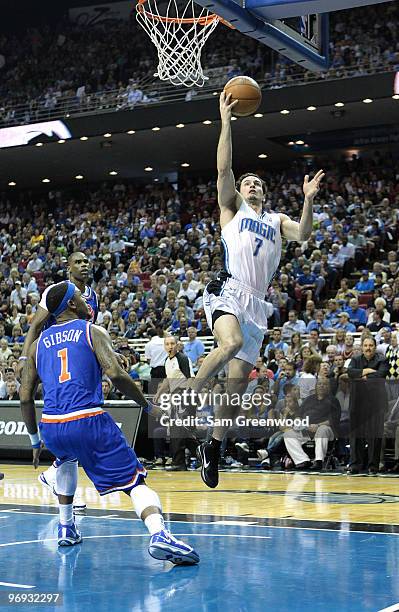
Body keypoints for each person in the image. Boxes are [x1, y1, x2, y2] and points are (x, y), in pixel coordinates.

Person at [188, 90, 324, 488]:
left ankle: (213, 447)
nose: (250, 186)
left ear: (263, 193)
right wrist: (226, 121)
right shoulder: (232, 209)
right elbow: (224, 168)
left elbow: (305, 234)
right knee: (228, 344)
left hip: (257, 305)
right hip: (228, 289)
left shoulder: (278, 219)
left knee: (234, 387)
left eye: (256, 184)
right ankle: (189, 397)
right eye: (247, 182)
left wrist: (308, 200)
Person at [19, 281, 198, 564]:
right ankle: (159, 533)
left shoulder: (37, 346)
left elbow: (25, 397)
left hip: (52, 425)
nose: (84, 300)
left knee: (65, 460)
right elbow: (115, 375)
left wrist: (34, 440)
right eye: (79, 296)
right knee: (134, 481)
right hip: (87, 419)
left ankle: (66, 527)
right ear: (71, 305)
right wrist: (146, 405)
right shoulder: (92, 330)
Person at [19, 253, 99, 504]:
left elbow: (88, 333)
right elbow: (36, 325)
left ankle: (56, 475)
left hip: (75, 359)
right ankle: (60, 481)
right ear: (68, 267)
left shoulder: (92, 296)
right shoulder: (58, 290)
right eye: (79, 262)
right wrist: (24, 358)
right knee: (72, 418)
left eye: (87, 261)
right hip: (54, 355)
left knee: (77, 422)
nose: (85, 265)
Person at [347, 336, 389, 474]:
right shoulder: (355, 359)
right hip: (357, 403)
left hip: (376, 403)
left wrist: (362, 376)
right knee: (356, 436)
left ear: (375, 347)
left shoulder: (382, 359)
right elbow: (350, 373)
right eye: (365, 345)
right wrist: (368, 372)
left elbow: (381, 374)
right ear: (362, 347)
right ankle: (355, 465)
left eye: (371, 345)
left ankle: (373, 466)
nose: (368, 348)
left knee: (374, 437)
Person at [154, 335, 197, 470]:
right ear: (164, 346)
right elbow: (168, 380)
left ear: (177, 345)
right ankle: (204, 455)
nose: (170, 346)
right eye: (167, 344)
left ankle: (178, 463)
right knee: (184, 432)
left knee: (177, 430)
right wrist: (159, 393)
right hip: (176, 396)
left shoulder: (182, 358)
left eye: (172, 343)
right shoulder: (167, 360)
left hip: (184, 396)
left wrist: (185, 397)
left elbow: (191, 378)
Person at [283, 379, 341, 470]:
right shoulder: (309, 399)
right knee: (288, 434)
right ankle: (303, 461)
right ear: (315, 386)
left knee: (323, 429)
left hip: (326, 431)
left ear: (328, 387)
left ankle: (318, 461)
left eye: (324, 384)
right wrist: (299, 421)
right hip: (306, 430)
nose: (321, 386)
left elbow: (334, 420)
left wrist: (317, 425)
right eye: (319, 384)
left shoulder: (333, 400)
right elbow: (299, 414)